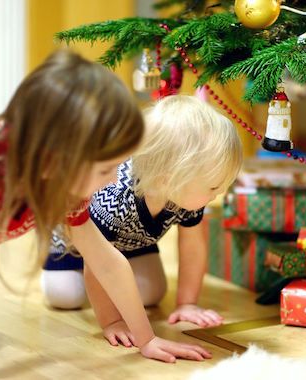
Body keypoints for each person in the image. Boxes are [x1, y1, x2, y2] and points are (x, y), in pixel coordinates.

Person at [0, 51, 209, 380]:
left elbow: (106, 262)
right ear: (56, 160)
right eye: (107, 169)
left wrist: (146, 338)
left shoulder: (65, 188)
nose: (114, 179)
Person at [41, 95, 243, 345]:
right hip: (78, 245)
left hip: (131, 244)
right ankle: (64, 272)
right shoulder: (116, 195)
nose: (219, 193)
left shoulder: (187, 195)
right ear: (169, 179)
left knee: (151, 292)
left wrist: (187, 303)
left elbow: (193, 247)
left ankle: (111, 287)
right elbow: (98, 262)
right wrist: (112, 321)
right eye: (214, 186)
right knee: (66, 296)